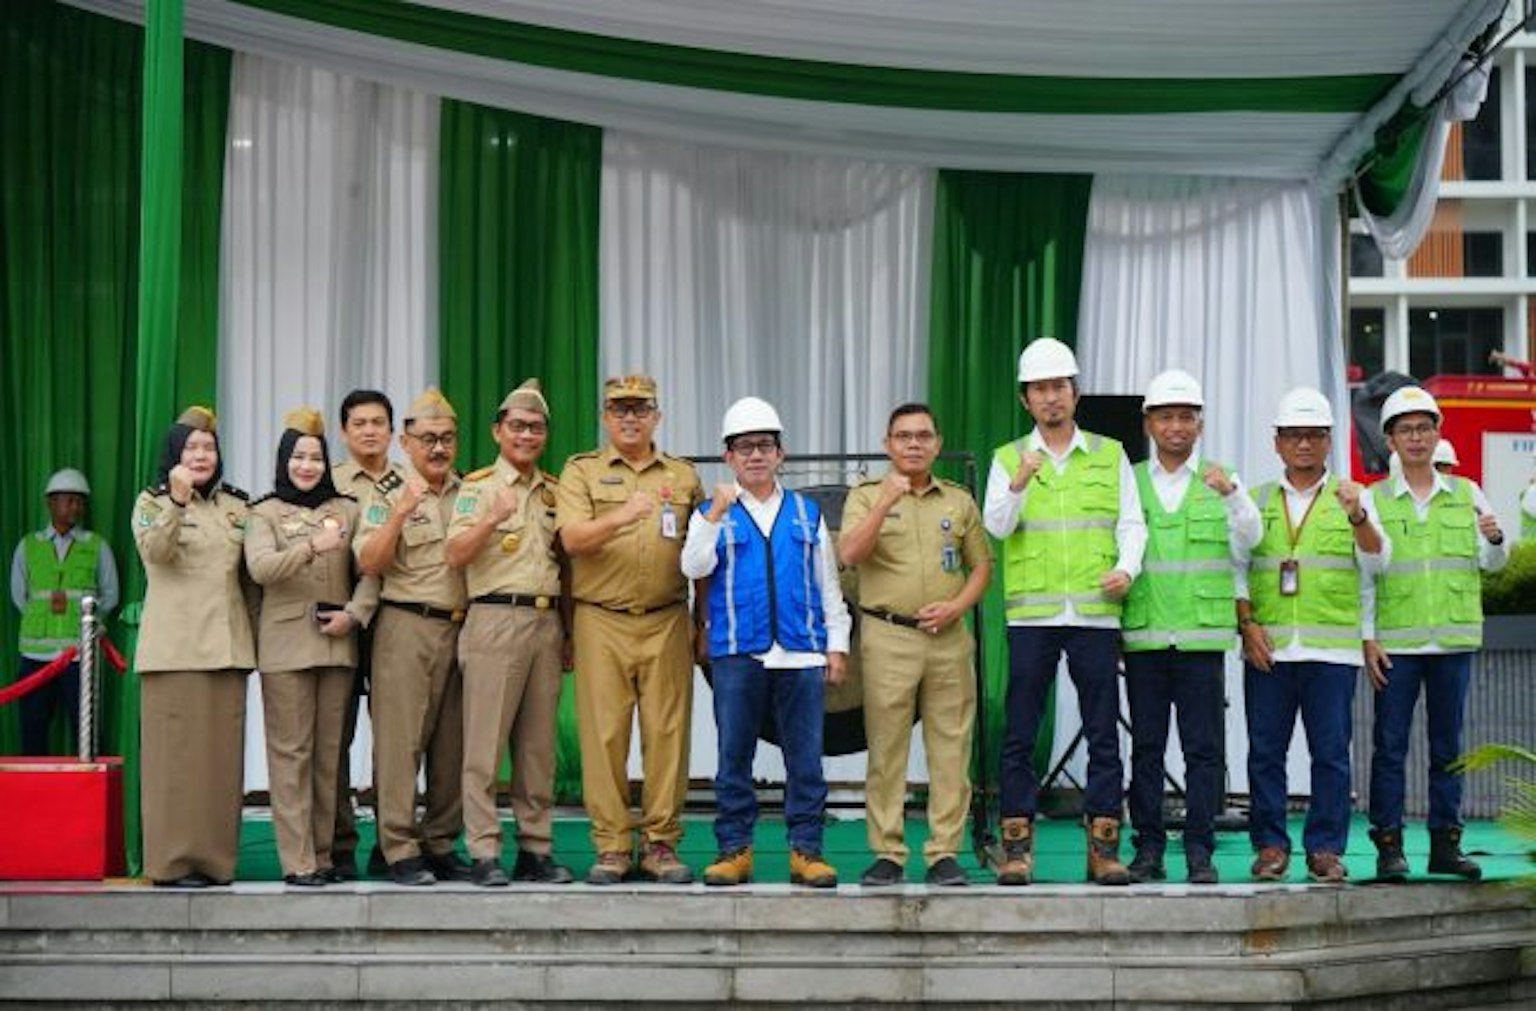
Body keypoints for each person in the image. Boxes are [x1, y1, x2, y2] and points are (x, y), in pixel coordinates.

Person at [981, 337, 1147, 886]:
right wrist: (1019, 482)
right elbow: (996, 525)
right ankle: (1017, 849)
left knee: (1103, 732)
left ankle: (1103, 849)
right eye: (1039, 389)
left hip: (1095, 613)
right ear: (1025, 399)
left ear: (1075, 393)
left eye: (1059, 387)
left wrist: (1127, 568)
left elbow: (1132, 523)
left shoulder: (1110, 453)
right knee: (1020, 733)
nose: (1050, 397)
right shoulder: (1009, 458)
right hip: (1033, 617)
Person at [682, 397, 852, 888]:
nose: (755, 455)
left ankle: (807, 851)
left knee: (806, 758)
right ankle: (734, 850)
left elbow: (827, 584)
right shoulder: (710, 513)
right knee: (734, 757)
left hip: (800, 652)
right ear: (728, 456)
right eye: (744, 447)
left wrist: (836, 644)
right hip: (738, 652)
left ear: (781, 453)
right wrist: (715, 512)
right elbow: (692, 566)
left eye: (764, 445)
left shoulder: (806, 512)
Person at [1235, 387, 1386, 884]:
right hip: (1270, 649)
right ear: (1276, 441)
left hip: (1331, 651)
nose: (1304, 444)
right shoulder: (1256, 500)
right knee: (1265, 752)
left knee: (1330, 755)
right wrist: (1246, 626)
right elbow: (1236, 569)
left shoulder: (1352, 496)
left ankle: (1324, 849)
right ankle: (1270, 846)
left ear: (1329, 440)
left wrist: (1357, 515)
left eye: (1315, 435)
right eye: (1294, 435)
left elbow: (1377, 562)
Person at [556, 375, 702, 885]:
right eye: (620, 409)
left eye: (641, 409)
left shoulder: (683, 475)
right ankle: (613, 846)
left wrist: (702, 622)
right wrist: (623, 516)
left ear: (657, 417)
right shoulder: (581, 471)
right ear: (605, 417)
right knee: (604, 737)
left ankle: (661, 843)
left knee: (668, 735)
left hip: (667, 617)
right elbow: (573, 539)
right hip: (601, 618)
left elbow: (702, 554)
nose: (630, 418)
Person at [838, 403, 991, 888]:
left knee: (950, 749)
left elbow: (981, 566)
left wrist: (956, 607)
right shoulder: (866, 495)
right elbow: (849, 553)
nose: (914, 444)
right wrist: (885, 502)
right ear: (887, 445)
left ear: (937, 444)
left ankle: (945, 852)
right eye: (903, 436)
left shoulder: (958, 500)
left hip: (948, 639)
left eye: (923, 436)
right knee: (887, 750)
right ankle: (888, 852)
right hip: (888, 636)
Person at [1119, 371, 1261, 885]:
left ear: (1200, 424)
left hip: (1201, 636)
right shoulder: (1130, 480)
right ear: (1148, 424)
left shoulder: (1222, 479)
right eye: (1165, 417)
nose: (1175, 426)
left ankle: (1200, 851)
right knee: (1147, 748)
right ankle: (1149, 849)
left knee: (1204, 751)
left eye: (1185, 417)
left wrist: (1233, 496)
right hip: (1146, 634)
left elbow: (1252, 540)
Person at [1363, 386, 1507, 882]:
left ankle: (1446, 844)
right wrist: (1368, 637)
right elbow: (1365, 576)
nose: (1416, 438)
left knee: (1449, 750)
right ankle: (1388, 847)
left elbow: (1493, 562)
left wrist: (1495, 540)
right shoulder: (1373, 499)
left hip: (1451, 643)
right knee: (1389, 748)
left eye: (1424, 428)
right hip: (1397, 645)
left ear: (1437, 433)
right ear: (1390, 440)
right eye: (1406, 430)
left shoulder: (1467, 493)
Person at [445, 380, 574, 888]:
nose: (526, 435)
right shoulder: (478, 488)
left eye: (536, 428)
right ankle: (483, 850)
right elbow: (455, 554)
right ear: (498, 431)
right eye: (517, 426)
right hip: (494, 618)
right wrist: (491, 520)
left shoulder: (555, 491)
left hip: (546, 623)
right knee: (484, 746)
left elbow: (566, 566)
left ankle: (535, 849)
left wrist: (569, 632)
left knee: (538, 749)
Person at [245, 408, 379, 887]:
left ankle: (323, 857)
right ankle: (297, 860)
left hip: (337, 647)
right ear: (284, 461)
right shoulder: (262, 513)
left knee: (328, 759)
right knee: (291, 757)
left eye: (316, 458)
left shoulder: (347, 509)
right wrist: (311, 547)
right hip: (284, 650)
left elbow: (370, 573)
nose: (307, 466)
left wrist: (355, 614)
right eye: (298, 457)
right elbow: (261, 569)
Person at [132, 406, 256, 887]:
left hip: (227, 649)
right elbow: (156, 553)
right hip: (174, 651)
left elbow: (251, 579)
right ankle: (171, 863)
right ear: (173, 455)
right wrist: (178, 502)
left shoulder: (237, 507)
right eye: (191, 448)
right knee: (173, 765)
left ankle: (215, 863)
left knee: (219, 767)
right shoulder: (151, 502)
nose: (201, 456)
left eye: (209, 448)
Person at [353, 387, 469, 886]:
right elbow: (369, 561)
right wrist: (401, 511)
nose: (438, 448)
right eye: (427, 439)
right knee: (400, 744)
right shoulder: (387, 494)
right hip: (405, 626)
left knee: (453, 745)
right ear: (405, 442)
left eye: (447, 438)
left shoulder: (471, 491)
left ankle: (440, 842)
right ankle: (396, 846)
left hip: (461, 628)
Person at [329, 389, 402, 880]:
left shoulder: (411, 482)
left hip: (395, 620)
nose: (370, 431)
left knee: (397, 739)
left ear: (392, 431)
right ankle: (337, 843)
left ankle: (391, 842)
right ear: (344, 431)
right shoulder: (327, 482)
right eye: (360, 423)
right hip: (340, 623)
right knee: (335, 736)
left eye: (378, 422)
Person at [10, 468, 119, 755]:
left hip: (79, 657)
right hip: (35, 657)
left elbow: (110, 595)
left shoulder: (96, 546)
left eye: (79, 501)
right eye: (68, 500)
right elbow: (19, 596)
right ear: (51, 503)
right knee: (32, 732)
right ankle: (35, 785)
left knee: (88, 737)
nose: (75, 507)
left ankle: (89, 785)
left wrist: (88, 627)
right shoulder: (28, 546)